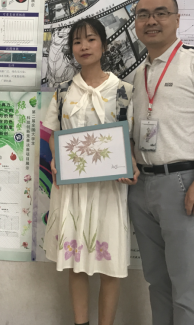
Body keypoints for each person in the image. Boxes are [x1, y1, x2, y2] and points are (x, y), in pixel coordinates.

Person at [121, 0, 194, 325]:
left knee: (186, 285)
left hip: (182, 185)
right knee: (157, 281)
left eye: (161, 13)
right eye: (142, 15)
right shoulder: (137, 74)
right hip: (142, 187)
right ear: (136, 23)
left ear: (177, 19)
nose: (151, 21)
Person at [43, 18, 135, 326]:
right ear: (71, 49)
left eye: (91, 39)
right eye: (77, 41)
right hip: (73, 190)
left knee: (111, 264)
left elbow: (129, 139)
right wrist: (56, 159)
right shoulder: (63, 91)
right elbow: (53, 134)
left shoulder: (123, 91)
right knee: (76, 262)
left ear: (104, 45)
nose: (84, 46)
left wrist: (130, 163)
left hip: (109, 189)